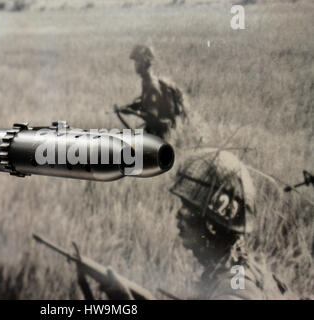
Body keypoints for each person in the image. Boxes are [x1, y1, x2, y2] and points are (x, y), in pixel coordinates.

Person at [76, 149, 293, 299]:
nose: (178, 217)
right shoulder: (235, 268)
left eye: (189, 210)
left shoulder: (236, 288)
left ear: (212, 226)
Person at [116, 45, 187, 141]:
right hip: (156, 133)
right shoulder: (146, 81)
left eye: (137, 61)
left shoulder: (151, 85)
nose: (135, 65)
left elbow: (153, 117)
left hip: (161, 137)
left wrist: (132, 112)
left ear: (145, 62)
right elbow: (145, 102)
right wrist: (129, 107)